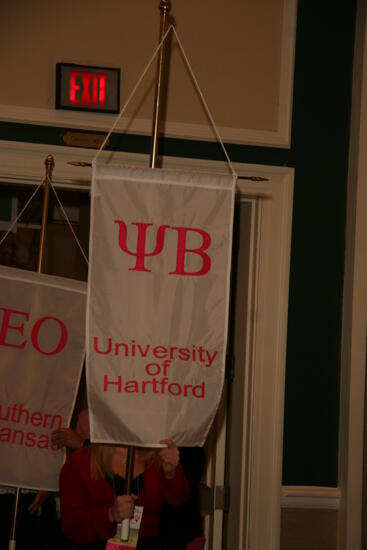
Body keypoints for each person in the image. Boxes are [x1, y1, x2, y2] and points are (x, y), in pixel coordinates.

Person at [59, 439, 190, 550]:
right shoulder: (80, 461)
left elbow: (178, 500)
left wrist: (171, 473)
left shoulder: (158, 457)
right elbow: (71, 526)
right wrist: (110, 515)